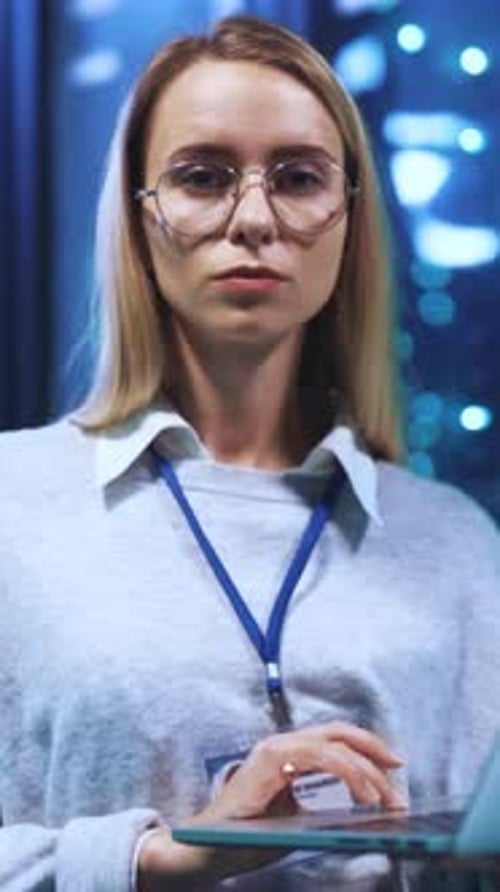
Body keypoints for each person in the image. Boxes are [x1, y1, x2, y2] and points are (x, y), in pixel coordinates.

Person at [0, 14, 499, 892]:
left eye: (300, 178)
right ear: (138, 215)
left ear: (349, 218)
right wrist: (155, 859)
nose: (255, 219)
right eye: (203, 177)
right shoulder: (12, 502)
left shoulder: (455, 544)